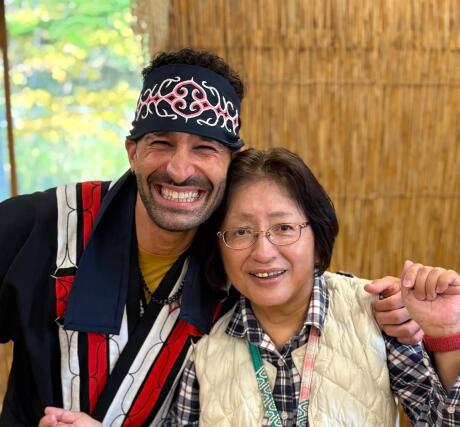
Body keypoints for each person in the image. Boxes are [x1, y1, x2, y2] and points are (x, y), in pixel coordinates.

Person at [1, 48, 416, 426]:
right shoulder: (43, 225)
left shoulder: (236, 265)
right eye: (161, 143)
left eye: (204, 148)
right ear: (132, 151)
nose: (180, 170)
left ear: (231, 160)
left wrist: (383, 304)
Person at [165, 148, 460, 426]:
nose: (263, 252)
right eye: (241, 232)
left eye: (284, 228)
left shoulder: (379, 316)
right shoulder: (202, 349)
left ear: (318, 242)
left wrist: (448, 336)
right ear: (219, 248)